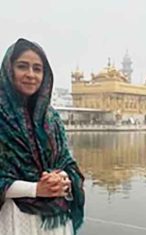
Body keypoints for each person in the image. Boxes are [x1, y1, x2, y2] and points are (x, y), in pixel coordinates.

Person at [0, 38, 85, 235]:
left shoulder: (51, 117)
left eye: (37, 69)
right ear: (8, 69)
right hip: (14, 219)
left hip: (55, 221)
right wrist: (36, 189)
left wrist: (63, 179)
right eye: (23, 66)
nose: (31, 75)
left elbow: (68, 164)